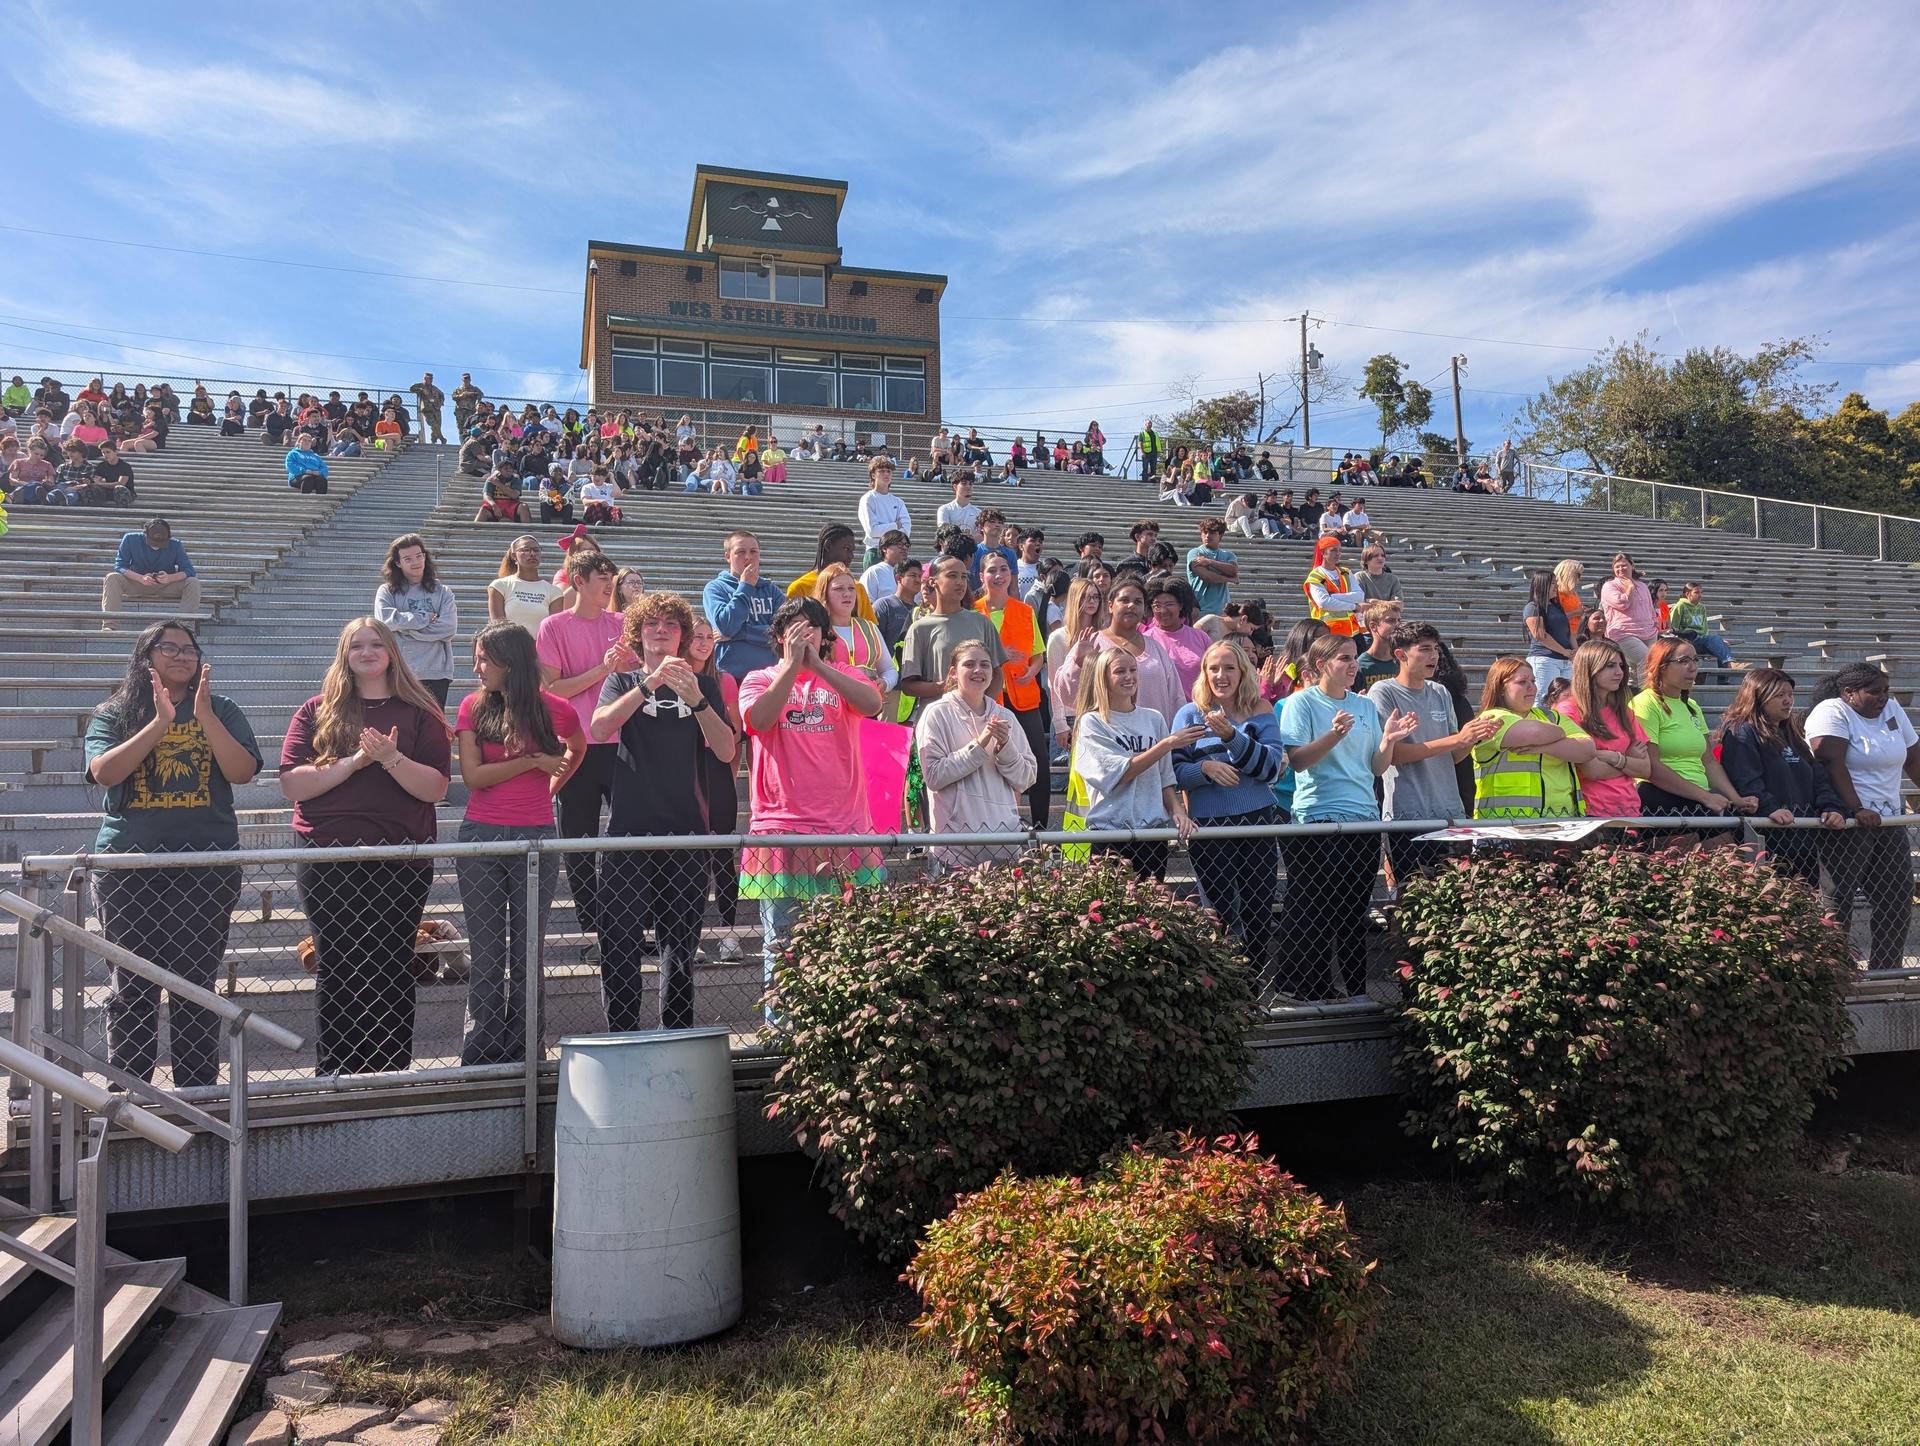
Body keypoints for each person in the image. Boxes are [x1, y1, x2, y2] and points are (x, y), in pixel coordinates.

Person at [85, 622, 260, 1087]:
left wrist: (204, 718)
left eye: (189, 649)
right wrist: (160, 723)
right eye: (169, 648)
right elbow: (104, 772)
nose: (181, 656)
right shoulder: (116, 712)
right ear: (147, 658)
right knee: (132, 986)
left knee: (194, 986)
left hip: (205, 867)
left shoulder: (221, 709)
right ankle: (128, 1093)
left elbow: (242, 772)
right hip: (129, 867)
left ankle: (198, 1091)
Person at [279, 619, 451, 1075]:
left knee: (392, 959)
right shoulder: (317, 709)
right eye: (357, 645)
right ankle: (335, 1071)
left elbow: (434, 788)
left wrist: (391, 759)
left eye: (377, 643)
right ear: (345, 655)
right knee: (337, 960)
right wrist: (356, 762)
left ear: (392, 652)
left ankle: (390, 1067)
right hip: (328, 855)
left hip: (401, 855)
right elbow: (292, 782)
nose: (368, 651)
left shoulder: (420, 711)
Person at [591, 592, 737, 1030]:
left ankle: (675, 1033)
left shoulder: (704, 685)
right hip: (628, 833)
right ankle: (622, 1033)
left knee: (680, 949)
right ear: (637, 633)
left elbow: (728, 749)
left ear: (682, 636)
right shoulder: (622, 681)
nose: (660, 630)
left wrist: (697, 699)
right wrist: (647, 683)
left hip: (686, 834)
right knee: (619, 945)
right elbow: (599, 727)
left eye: (671, 625)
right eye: (651, 623)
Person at [453, 622, 583, 1064]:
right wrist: (532, 761)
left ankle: (528, 1048)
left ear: (511, 662)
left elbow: (577, 749)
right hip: (480, 838)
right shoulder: (472, 706)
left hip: (537, 837)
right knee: (487, 955)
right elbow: (473, 777)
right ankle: (482, 1051)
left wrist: (551, 783)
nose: (476, 667)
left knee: (529, 952)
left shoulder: (557, 709)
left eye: (484, 658)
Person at [741, 599, 886, 973]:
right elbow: (759, 719)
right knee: (784, 947)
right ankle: (781, 1030)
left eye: (813, 627)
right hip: (782, 830)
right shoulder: (758, 678)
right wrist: (790, 667)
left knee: (852, 947)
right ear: (778, 636)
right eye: (795, 627)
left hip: (845, 828)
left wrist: (819, 666)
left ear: (826, 636)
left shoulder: (845, 672)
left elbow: (872, 704)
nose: (805, 635)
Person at [1278, 633, 1418, 1001]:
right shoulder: (1301, 702)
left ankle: (1357, 990)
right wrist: (1334, 735)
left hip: (1363, 818)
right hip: (1318, 818)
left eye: (1354, 657)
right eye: (1343, 658)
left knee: (1353, 909)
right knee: (1317, 909)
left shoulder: (1365, 706)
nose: (1353, 664)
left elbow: (1375, 767)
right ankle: (1307, 987)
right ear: (1321, 665)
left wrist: (1388, 741)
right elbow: (1298, 760)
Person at [538, 550, 637, 946]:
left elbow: (638, 679)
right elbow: (552, 689)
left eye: (611, 575)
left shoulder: (624, 622)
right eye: (601, 576)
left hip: (622, 743)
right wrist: (602, 669)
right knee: (578, 841)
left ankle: (627, 923)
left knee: (627, 837)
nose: (609, 583)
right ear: (578, 580)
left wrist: (622, 668)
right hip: (575, 745)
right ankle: (592, 929)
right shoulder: (553, 626)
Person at [1172, 641, 1287, 969]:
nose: (1221, 675)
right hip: (1209, 825)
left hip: (1257, 819)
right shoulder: (1189, 713)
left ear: (1242, 672)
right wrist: (1205, 769)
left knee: (1258, 909)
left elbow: (1270, 767)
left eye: (1229, 668)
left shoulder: (1260, 709)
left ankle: (1254, 985)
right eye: (1214, 668)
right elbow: (1175, 772)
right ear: (1204, 673)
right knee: (1220, 912)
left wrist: (1232, 737)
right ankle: (1226, 985)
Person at [1807, 663, 1920, 970]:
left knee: (1897, 898)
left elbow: (1912, 756)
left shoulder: (1892, 708)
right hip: (1846, 822)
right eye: (1874, 692)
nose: (1883, 697)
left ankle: (1886, 970)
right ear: (1849, 693)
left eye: (1886, 690)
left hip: (1888, 819)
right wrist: (1856, 808)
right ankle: (1834, 971)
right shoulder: (1831, 711)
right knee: (1837, 900)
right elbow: (1831, 762)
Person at [1373, 622, 1497, 875]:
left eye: (1436, 650)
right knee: (1412, 894)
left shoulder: (1440, 691)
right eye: (1425, 649)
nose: (1435, 656)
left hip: (1450, 810)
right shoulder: (1383, 691)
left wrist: (1473, 738)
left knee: (1453, 895)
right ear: (1400, 654)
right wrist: (1457, 739)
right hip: (1408, 813)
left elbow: (1453, 755)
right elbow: (1394, 755)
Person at [1071, 648, 1200, 881]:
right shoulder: (1092, 722)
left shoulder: (1153, 718)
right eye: (1120, 671)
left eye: (1132, 670)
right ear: (1103, 678)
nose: (1129, 677)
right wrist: (1167, 743)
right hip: (1110, 833)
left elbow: (1165, 778)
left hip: (1151, 833)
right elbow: (1119, 774)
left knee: (1149, 911)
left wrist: (1177, 810)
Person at [916, 640, 1038, 871]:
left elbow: (1027, 778)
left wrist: (1005, 747)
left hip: (1004, 844)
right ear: (953, 672)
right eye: (969, 664)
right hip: (954, 850)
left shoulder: (1006, 716)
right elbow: (933, 777)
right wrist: (980, 745)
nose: (978, 671)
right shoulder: (936, 714)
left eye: (984, 665)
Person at [1718, 668, 1846, 887]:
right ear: (1759, 697)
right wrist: (1770, 808)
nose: (1788, 701)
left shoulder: (1791, 733)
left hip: (1803, 838)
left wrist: (1830, 807)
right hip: (1766, 838)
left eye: (1790, 695)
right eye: (1780, 696)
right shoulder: (1742, 731)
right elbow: (1745, 779)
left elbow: (1817, 776)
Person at [1629, 638, 1757, 826]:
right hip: (1658, 795)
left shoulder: (1691, 706)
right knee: (1728, 837)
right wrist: (1706, 797)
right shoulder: (1645, 704)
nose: (1693, 667)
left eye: (1695, 660)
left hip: (1698, 797)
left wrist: (1736, 798)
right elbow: (1652, 767)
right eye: (1683, 661)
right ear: (1660, 666)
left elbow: (1709, 762)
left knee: (1741, 820)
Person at [1471, 656, 1602, 820]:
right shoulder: (1491, 718)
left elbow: (1587, 749)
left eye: (1533, 681)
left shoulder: (1552, 717)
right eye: (1522, 682)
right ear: (1501, 688)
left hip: (1560, 820)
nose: (1531, 687)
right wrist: (1561, 735)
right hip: (1505, 825)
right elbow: (1535, 732)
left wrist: (1545, 748)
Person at [973, 551, 1050, 828]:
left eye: (1004, 569)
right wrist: (999, 654)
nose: (998, 575)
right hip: (987, 699)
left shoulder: (1025, 610)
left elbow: (1037, 653)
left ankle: (1041, 828)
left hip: (1023, 696)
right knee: (992, 763)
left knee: (1038, 761)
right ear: (982, 576)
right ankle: (999, 823)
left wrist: (1031, 669)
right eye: (992, 570)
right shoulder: (973, 612)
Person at [686, 615, 746, 962]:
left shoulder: (724, 680)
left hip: (716, 767)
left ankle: (728, 934)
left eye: (709, 636)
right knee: (690, 857)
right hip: (683, 768)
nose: (705, 642)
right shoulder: (674, 678)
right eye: (697, 636)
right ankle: (689, 938)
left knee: (722, 856)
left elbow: (734, 730)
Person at [1050, 575, 1183, 727]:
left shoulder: (1157, 649)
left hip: (1153, 741)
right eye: (1124, 600)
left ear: (1145, 609)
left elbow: (1176, 698)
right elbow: (1066, 696)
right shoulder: (1090, 644)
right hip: (1106, 740)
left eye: (1138, 602)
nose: (1131, 605)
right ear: (1110, 606)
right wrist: (1079, 664)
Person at [1554, 641, 1653, 821]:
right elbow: (1592, 771)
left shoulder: (1624, 712)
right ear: (1589, 668)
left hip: (1630, 809)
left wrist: (1613, 757)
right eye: (1610, 666)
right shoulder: (1568, 711)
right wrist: (1627, 760)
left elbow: (1645, 769)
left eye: (1621, 666)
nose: (1619, 672)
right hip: (1589, 812)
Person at [900, 556, 1007, 715]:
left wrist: (983, 706)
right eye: (952, 576)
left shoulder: (982, 622)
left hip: (977, 719)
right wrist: (945, 686)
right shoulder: (919, 628)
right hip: (937, 719)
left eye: (963, 576)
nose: (960, 582)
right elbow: (908, 686)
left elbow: (997, 673)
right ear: (932, 582)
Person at [373, 533, 458, 707]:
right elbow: (386, 622)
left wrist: (404, 629)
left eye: (419, 556)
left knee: (432, 729)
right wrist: (425, 618)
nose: (416, 562)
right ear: (398, 563)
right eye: (408, 558)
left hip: (436, 672)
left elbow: (448, 628)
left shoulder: (443, 592)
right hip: (399, 671)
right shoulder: (387, 591)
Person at [704, 529, 786, 678]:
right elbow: (726, 627)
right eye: (740, 552)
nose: (748, 557)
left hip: (768, 676)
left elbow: (783, 634)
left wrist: (742, 633)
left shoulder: (772, 591)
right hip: (729, 674)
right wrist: (745, 587)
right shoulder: (715, 588)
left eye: (754, 551)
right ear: (728, 556)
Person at [815, 564, 898, 693]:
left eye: (851, 588)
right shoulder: (815, 630)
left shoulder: (870, 627)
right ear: (824, 593)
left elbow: (889, 670)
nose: (847, 594)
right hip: (830, 707)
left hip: (866, 708)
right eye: (839, 589)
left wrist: (885, 683)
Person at [103, 518, 201, 627]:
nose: (156, 545)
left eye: (161, 543)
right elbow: (120, 566)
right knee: (112, 577)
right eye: (153, 542)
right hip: (136, 583)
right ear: (145, 535)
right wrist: (140, 578)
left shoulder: (176, 544)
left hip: (165, 586)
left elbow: (189, 571)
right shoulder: (130, 539)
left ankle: (185, 627)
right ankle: (110, 625)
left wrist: (170, 578)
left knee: (193, 582)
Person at [787, 523, 876, 621]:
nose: (851, 556)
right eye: (846, 549)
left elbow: (870, 629)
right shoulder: (800, 587)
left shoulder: (857, 588)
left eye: (852, 551)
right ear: (828, 546)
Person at [1143, 576, 1213, 697]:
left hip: (1198, 708)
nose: (1163, 611)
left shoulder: (1201, 637)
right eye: (1157, 606)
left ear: (1181, 605)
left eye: (1169, 604)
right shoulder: (1145, 640)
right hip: (1161, 711)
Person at [1599, 552, 1657, 682]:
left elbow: (1650, 607)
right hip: (1623, 633)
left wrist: (1654, 622)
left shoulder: (1642, 585)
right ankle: (1646, 694)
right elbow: (1622, 603)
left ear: (1632, 566)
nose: (1620, 569)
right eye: (1617, 566)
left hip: (1648, 632)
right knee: (1646, 658)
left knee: (1641, 666)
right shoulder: (1610, 586)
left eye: (1624, 565)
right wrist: (1629, 588)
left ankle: (1632, 694)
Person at [1523, 567, 1576, 706]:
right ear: (1542, 584)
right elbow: (1540, 635)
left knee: (1565, 699)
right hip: (1544, 659)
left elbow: (1568, 632)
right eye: (1553, 583)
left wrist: (1574, 652)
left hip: (1565, 660)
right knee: (1542, 698)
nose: (1556, 587)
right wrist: (1565, 652)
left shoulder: (1556, 607)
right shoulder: (1532, 607)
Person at [488, 535, 564, 630]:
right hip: (508, 644)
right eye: (526, 550)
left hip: (541, 645)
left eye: (536, 550)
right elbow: (497, 627)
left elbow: (553, 629)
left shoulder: (554, 591)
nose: (532, 554)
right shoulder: (499, 586)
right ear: (514, 556)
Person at [1304, 537, 1366, 637]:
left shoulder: (1345, 571)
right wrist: (1353, 606)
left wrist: (1333, 596)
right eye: (1333, 550)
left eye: (1339, 550)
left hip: (1352, 632)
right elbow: (1324, 603)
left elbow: (1359, 596)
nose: (1338, 554)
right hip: (1327, 632)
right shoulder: (1315, 576)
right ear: (1323, 553)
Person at [1669, 582, 1737, 670]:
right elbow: (1673, 627)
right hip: (1687, 640)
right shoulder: (1680, 606)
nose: (1700, 595)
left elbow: (1705, 629)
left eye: (1701, 592)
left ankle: (1724, 680)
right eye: (1696, 592)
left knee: (1722, 644)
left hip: (1701, 640)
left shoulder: (1701, 607)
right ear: (1687, 594)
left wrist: (1718, 641)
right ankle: (1730, 663)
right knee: (1717, 640)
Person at [857, 456, 910, 566]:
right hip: (875, 552)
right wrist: (895, 525)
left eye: (888, 471)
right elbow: (873, 530)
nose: (886, 474)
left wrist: (885, 529)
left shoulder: (898, 501)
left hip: (896, 553)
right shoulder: (868, 499)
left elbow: (906, 529)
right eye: (881, 471)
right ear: (873, 475)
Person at [1185, 519, 1239, 615]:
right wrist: (1229, 579)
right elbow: (1207, 577)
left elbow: (1233, 570)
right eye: (1205, 532)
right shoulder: (1195, 553)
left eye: (1212, 533)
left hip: (1223, 611)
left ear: (1221, 535)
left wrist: (1209, 562)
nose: (1207, 536)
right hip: (1200, 610)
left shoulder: (1229, 555)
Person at [861, 529, 911, 604]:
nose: (904, 548)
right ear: (884, 548)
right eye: (899, 544)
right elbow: (867, 604)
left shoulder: (911, 574)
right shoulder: (874, 572)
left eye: (906, 545)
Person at [409, 373, 446, 444]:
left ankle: (434, 439)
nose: (430, 380)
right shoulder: (421, 385)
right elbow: (411, 389)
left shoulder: (435, 388)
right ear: (425, 378)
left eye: (431, 379)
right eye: (428, 378)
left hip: (436, 409)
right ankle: (441, 438)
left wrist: (440, 403)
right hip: (427, 409)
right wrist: (421, 390)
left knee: (438, 425)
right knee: (433, 424)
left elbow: (442, 395)